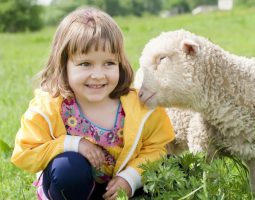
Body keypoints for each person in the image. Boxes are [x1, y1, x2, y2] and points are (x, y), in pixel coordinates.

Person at [11, 7, 175, 200]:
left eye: (109, 63)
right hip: (73, 185)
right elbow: (25, 154)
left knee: (170, 169)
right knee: (67, 169)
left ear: (120, 64)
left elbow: (158, 148)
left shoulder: (139, 107)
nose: (98, 75)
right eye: (85, 64)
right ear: (63, 65)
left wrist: (130, 178)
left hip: (121, 185)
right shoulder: (49, 108)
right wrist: (72, 144)